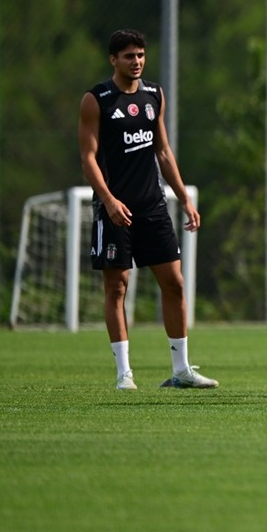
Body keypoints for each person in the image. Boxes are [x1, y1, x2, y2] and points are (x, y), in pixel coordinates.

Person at [78, 29, 218, 391]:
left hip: (152, 205)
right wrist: (108, 200)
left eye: (140, 54)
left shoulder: (154, 94)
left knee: (174, 284)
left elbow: (163, 151)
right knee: (117, 288)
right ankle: (124, 373)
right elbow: (88, 158)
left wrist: (184, 198)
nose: (136, 61)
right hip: (114, 209)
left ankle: (181, 370)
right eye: (128, 56)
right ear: (113, 60)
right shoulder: (97, 100)